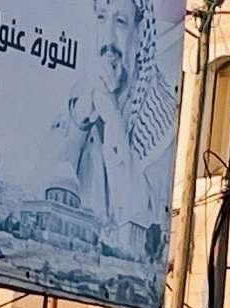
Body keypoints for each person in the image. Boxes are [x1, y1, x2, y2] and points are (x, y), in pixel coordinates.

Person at [51, 0, 178, 237]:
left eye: (120, 22)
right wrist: (80, 121)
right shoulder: (79, 90)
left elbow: (137, 217)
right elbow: (43, 182)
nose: (108, 39)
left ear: (140, 34)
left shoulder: (163, 118)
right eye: (101, 18)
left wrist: (110, 111)